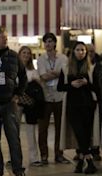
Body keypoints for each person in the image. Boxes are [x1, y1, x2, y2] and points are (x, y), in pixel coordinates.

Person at [0, 26, 28, 176]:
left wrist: (18, 94)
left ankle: (18, 170)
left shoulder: (13, 56)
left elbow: (23, 77)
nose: (5, 39)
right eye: (2, 37)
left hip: (10, 103)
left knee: (13, 137)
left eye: (6, 37)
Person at [57, 41, 100, 174]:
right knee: (79, 133)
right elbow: (60, 87)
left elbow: (98, 88)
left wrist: (87, 83)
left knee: (86, 135)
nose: (80, 52)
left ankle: (81, 162)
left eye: (83, 50)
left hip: (88, 105)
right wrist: (72, 85)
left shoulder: (91, 68)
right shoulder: (66, 68)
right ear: (73, 52)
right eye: (78, 50)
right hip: (72, 105)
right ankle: (89, 161)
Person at [36, 32, 70, 165]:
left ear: (55, 43)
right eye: (46, 42)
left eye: (50, 41)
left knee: (59, 128)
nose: (48, 44)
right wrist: (56, 74)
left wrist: (54, 75)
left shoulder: (63, 58)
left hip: (60, 96)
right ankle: (44, 155)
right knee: (42, 128)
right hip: (45, 97)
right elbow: (43, 76)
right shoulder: (41, 59)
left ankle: (59, 154)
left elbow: (64, 76)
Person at [17, 46, 44, 166]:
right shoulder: (14, 68)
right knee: (14, 132)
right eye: (24, 52)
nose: (26, 55)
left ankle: (34, 157)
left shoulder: (33, 70)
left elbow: (38, 85)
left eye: (28, 53)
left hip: (30, 104)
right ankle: (15, 158)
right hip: (16, 102)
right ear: (19, 54)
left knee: (31, 131)